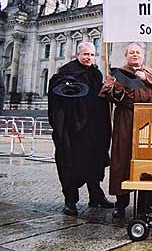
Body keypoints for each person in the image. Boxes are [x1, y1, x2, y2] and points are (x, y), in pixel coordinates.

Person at [48, 42, 113, 216]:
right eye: (85, 54)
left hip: (94, 128)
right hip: (74, 128)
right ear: (78, 54)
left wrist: (105, 89)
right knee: (71, 163)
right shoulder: (67, 72)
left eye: (91, 55)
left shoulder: (96, 73)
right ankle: (70, 201)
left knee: (95, 161)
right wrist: (68, 87)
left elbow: (98, 98)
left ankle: (96, 195)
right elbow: (57, 91)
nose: (89, 58)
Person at [99, 43, 152, 218]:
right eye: (131, 52)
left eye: (138, 53)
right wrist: (116, 87)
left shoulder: (151, 73)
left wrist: (146, 78)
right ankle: (121, 204)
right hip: (125, 120)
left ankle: (145, 204)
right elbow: (106, 94)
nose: (135, 55)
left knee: (146, 162)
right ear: (126, 56)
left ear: (143, 56)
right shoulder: (117, 73)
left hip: (148, 121)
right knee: (122, 160)